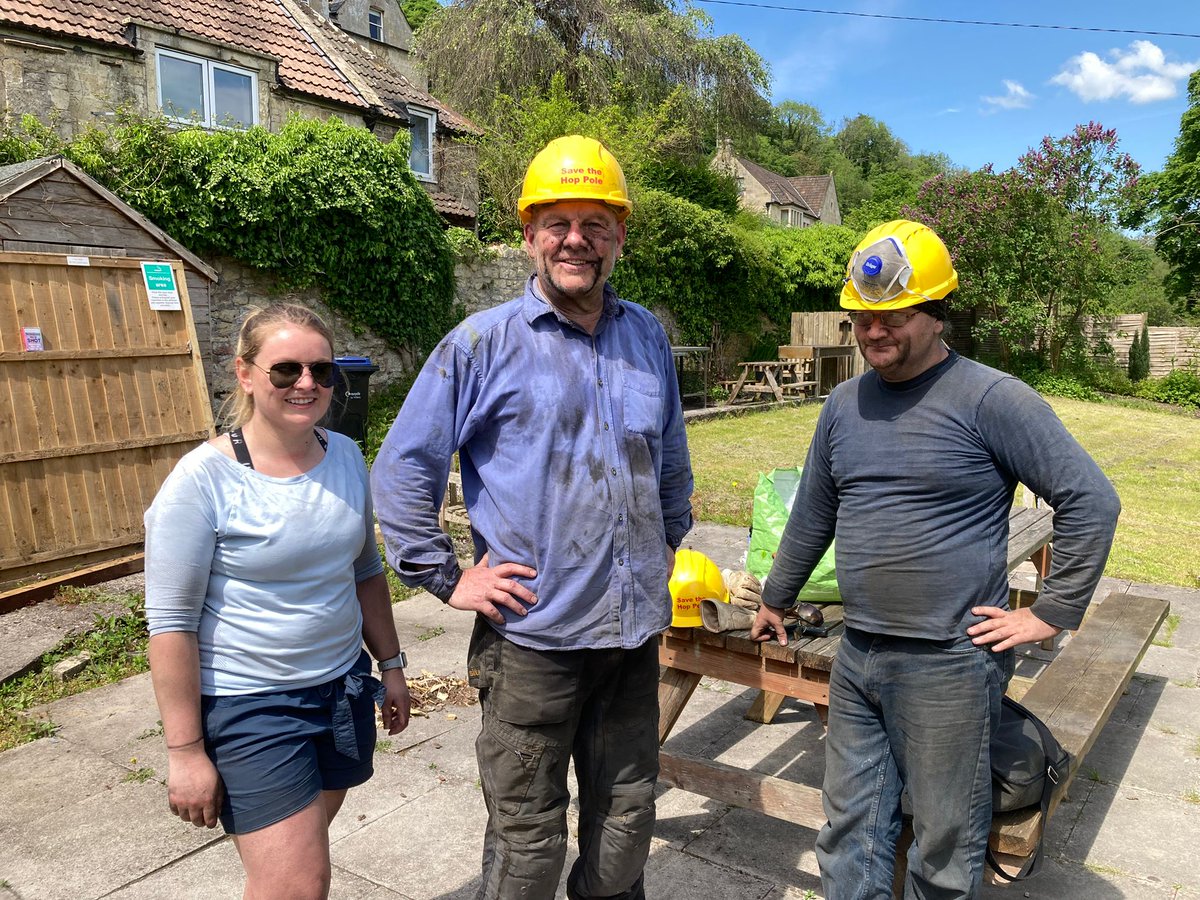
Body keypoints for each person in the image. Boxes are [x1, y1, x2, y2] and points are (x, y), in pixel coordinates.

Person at [749, 220, 1120, 899]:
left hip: (950, 661)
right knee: (850, 832)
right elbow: (812, 514)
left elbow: (1091, 500)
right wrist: (775, 598)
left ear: (936, 311)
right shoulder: (842, 405)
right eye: (861, 319)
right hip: (858, 654)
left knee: (945, 844)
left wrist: (1054, 613)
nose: (871, 334)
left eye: (891, 317)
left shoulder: (991, 399)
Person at [371, 135, 693, 900]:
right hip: (534, 646)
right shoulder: (481, 344)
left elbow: (672, 462)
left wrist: (659, 547)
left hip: (630, 640)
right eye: (557, 223)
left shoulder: (645, 334)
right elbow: (404, 468)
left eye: (595, 223)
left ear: (619, 237)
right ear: (529, 234)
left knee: (626, 825)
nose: (575, 239)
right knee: (528, 843)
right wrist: (447, 578)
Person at [144, 303, 411, 900]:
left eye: (322, 370)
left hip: (340, 691)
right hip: (252, 708)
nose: (307, 384)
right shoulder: (200, 482)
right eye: (285, 370)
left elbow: (364, 568)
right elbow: (170, 626)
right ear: (244, 373)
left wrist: (391, 667)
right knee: (299, 884)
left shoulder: (342, 454)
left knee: (286, 872)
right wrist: (185, 751)